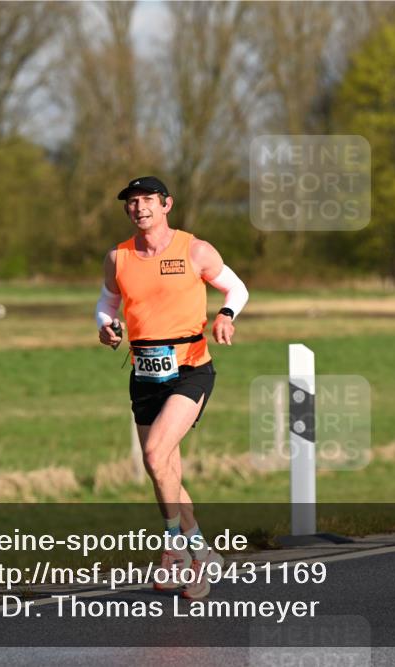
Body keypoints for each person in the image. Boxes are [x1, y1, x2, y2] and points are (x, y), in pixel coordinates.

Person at [95, 176, 249, 598]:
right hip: (144, 372)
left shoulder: (194, 249)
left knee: (153, 453)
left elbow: (236, 286)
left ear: (167, 205)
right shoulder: (118, 257)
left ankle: (178, 550)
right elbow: (107, 303)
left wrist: (226, 314)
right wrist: (107, 327)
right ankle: (203, 552)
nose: (139, 207)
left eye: (147, 200)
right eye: (131, 201)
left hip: (190, 368)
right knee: (163, 470)